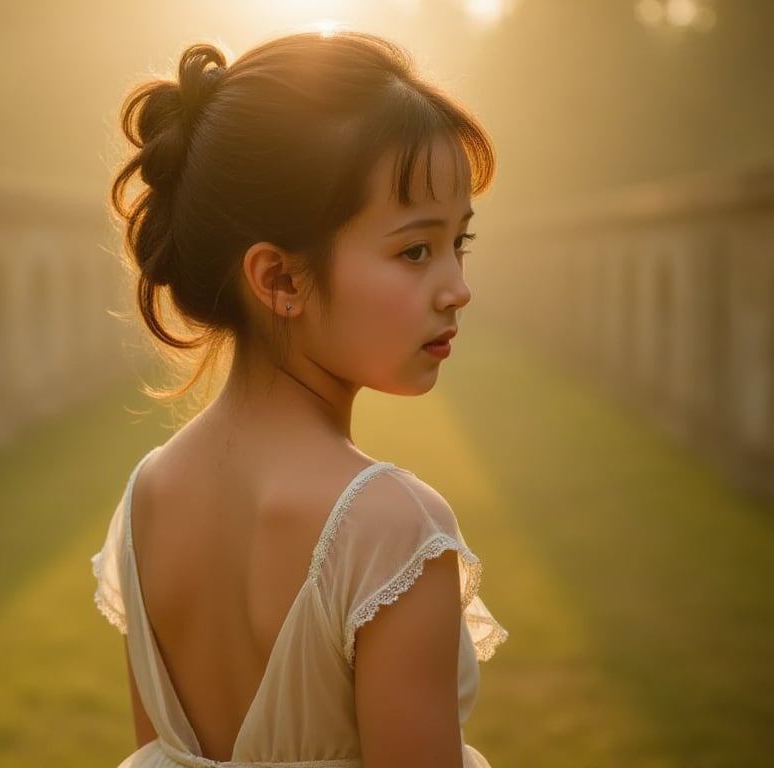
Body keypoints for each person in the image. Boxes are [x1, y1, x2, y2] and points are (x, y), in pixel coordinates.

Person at [91, 29, 509, 768]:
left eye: (458, 244)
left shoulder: (147, 497)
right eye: (415, 250)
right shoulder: (391, 530)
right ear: (279, 278)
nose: (457, 288)